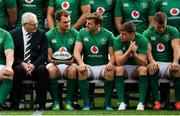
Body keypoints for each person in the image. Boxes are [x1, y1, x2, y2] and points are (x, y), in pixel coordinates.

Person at [74, 12, 115, 110]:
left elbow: (113, 55)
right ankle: (86, 103)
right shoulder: (82, 33)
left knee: (110, 71)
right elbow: (76, 52)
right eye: (86, 22)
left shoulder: (108, 34)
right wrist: (81, 63)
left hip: (103, 67)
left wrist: (110, 63)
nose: (86, 25)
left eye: (89, 23)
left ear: (98, 25)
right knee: (81, 70)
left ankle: (107, 103)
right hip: (88, 66)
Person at [10, 12, 48, 110]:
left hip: (35, 65)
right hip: (20, 64)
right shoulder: (13, 34)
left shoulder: (42, 34)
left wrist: (34, 65)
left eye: (36, 23)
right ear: (24, 24)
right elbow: (11, 54)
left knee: (42, 70)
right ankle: (15, 103)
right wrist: (21, 63)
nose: (35, 26)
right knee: (17, 70)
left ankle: (40, 103)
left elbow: (44, 54)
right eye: (33, 24)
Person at [143, 12, 180, 110]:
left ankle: (178, 102)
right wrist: (152, 61)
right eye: (159, 27)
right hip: (155, 62)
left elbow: (176, 47)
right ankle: (157, 102)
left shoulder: (173, 30)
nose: (161, 29)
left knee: (178, 70)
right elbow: (148, 51)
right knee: (151, 69)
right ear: (154, 22)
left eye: (163, 26)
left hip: (169, 64)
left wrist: (175, 61)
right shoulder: (147, 33)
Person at [46, 9, 78, 111]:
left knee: (73, 70)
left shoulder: (75, 34)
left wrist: (72, 59)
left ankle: (68, 101)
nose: (68, 24)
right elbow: (49, 56)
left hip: (70, 63)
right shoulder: (49, 34)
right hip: (55, 64)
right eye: (65, 22)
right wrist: (53, 60)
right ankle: (55, 101)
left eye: (69, 21)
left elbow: (77, 53)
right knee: (51, 70)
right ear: (57, 22)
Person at [114, 21, 148, 110]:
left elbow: (143, 62)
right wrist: (129, 50)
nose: (121, 35)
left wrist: (134, 54)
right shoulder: (117, 40)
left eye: (124, 34)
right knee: (118, 69)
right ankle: (122, 102)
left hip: (136, 68)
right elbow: (118, 62)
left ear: (132, 34)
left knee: (143, 69)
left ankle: (141, 103)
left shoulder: (142, 40)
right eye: (121, 33)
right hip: (124, 68)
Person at [0, 28, 14, 109]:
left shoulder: (5, 34)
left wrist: (9, 67)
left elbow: (9, 53)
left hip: (0, 65)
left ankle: (0, 101)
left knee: (9, 73)